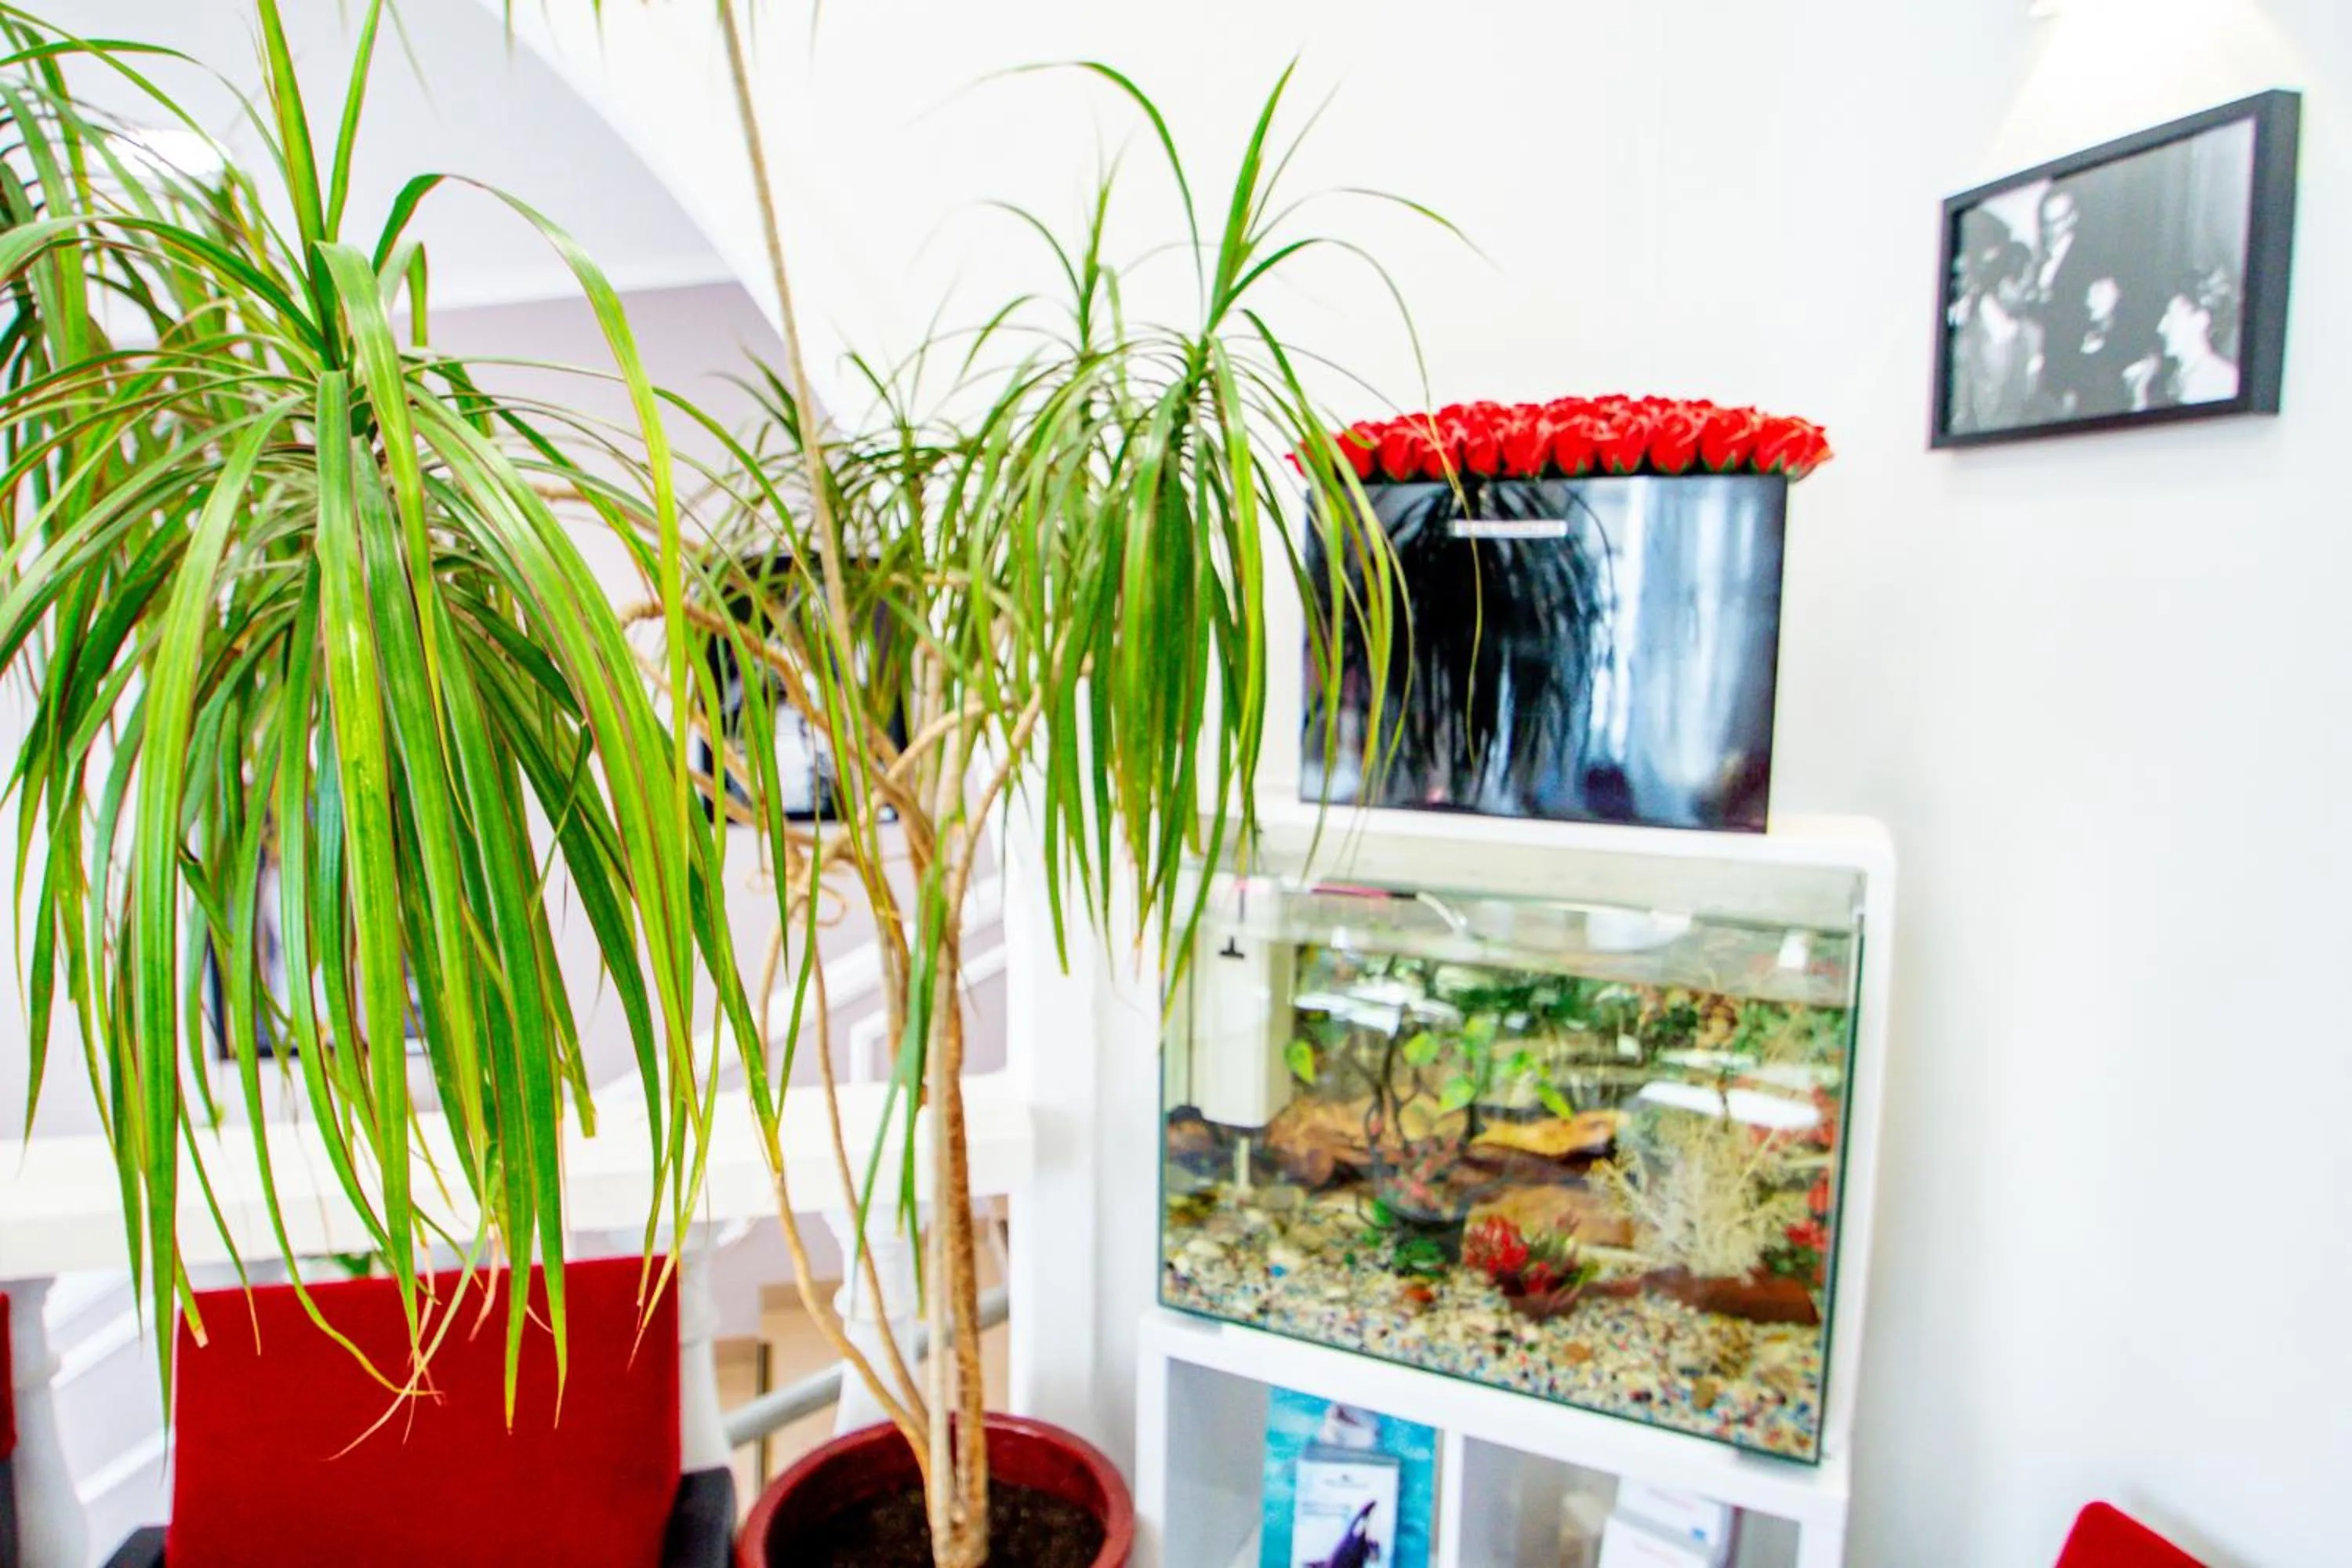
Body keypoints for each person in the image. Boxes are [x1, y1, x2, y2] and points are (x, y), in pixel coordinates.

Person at [1949, 238, 2047, 434]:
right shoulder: (1963, 337)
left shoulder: (2033, 334)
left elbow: (2032, 398)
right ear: (2004, 285)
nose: (2031, 295)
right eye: (2025, 287)